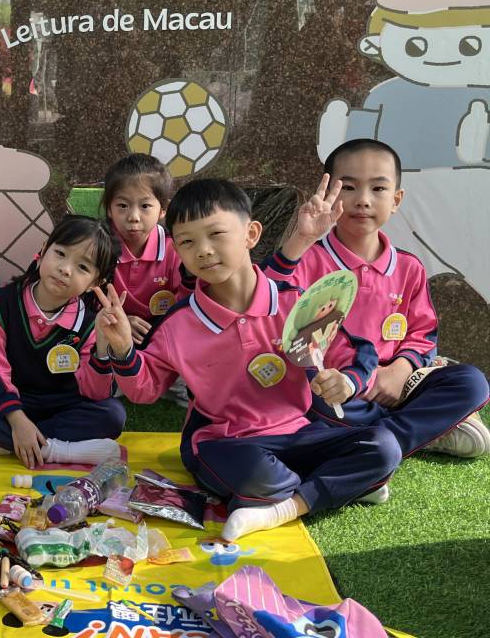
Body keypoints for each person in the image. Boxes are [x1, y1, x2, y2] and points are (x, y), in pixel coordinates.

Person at [110, 179, 400, 541]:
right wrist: (122, 348)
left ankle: (283, 508)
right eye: (187, 242)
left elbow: (355, 353)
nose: (203, 251)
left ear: (251, 234)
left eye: (216, 234)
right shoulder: (178, 325)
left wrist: (347, 381)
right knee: (256, 475)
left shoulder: (295, 302)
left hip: (300, 432)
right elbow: (144, 389)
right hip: (224, 442)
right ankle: (340, 485)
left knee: (384, 447)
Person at [264, 139, 490, 462]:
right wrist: (300, 239)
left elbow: (422, 335)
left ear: (396, 200)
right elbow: (263, 299)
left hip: (393, 387)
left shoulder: (409, 267)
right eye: (349, 187)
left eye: (378, 188)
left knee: (471, 383)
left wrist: (400, 369)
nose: (363, 200)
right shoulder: (308, 258)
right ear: (328, 195)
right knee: (307, 393)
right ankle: (416, 432)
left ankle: (377, 439)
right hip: (336, 388)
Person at [0, 215, 128, 467]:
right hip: (14, 402)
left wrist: (102, 344)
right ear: (43, 250)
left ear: (96, 283)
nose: (65, 269)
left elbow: (96, 393)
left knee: (112, 415)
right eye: (60, 254)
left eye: (82, 267)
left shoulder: (90, 322)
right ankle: (55, 449)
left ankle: (11, 444)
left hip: (62, 404)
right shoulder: (3, 302)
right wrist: (17, 420)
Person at [101, 154, 188, 341]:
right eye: (122, 205)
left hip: (163, 334)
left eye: (145, 206)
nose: (133, 217)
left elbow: (187, 302)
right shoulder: (97, 245)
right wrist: (119, 321)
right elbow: (80, 299)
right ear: (109, 208)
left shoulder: (174, 248)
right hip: (106, 332)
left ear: (163, 209)